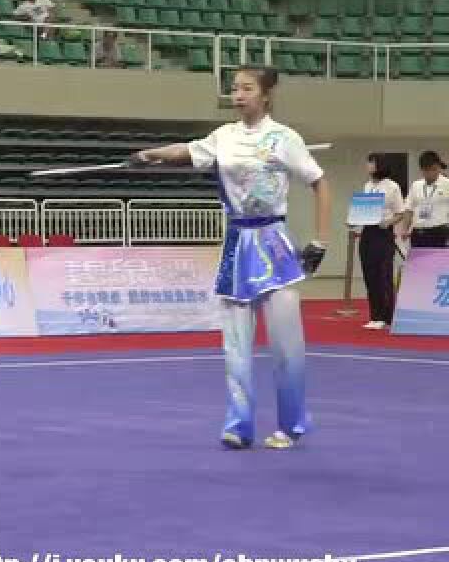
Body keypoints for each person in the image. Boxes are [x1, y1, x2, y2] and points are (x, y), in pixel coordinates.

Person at [131, 65, 331, 451]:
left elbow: (319, 182)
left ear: (265, 95)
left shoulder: (284, 138)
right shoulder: (223, 137)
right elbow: (187, 152)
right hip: (237, 246)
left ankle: (291, 425)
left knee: (287, 347)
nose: (238, 95)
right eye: (235, 89)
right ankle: (239, 425)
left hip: (274, 246)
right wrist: (150, 154)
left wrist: (320, 240)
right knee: (235, 346)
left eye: (246, 88)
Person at [351, 153, 402, 329]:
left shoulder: (392, 186)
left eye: (371, 162)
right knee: (369, 275)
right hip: (368, 233)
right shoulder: (367, 186)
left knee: (384, 275)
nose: (367, 165)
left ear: (379, 165)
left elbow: (400, 213)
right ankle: (375, 315)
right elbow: (364, 210)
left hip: (383, 233)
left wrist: (387, 222)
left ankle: (388, 317)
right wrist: (354, 219)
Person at [400, 150, 449, 249]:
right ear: (423, 170)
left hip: (440, 232)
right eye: (430, 169)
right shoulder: (416, 185)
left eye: (436, 169)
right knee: (419, 263)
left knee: (439, 264)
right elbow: (409, 209)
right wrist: (405, 229)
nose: (434, 172)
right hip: (418, 232)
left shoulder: (447, 184)